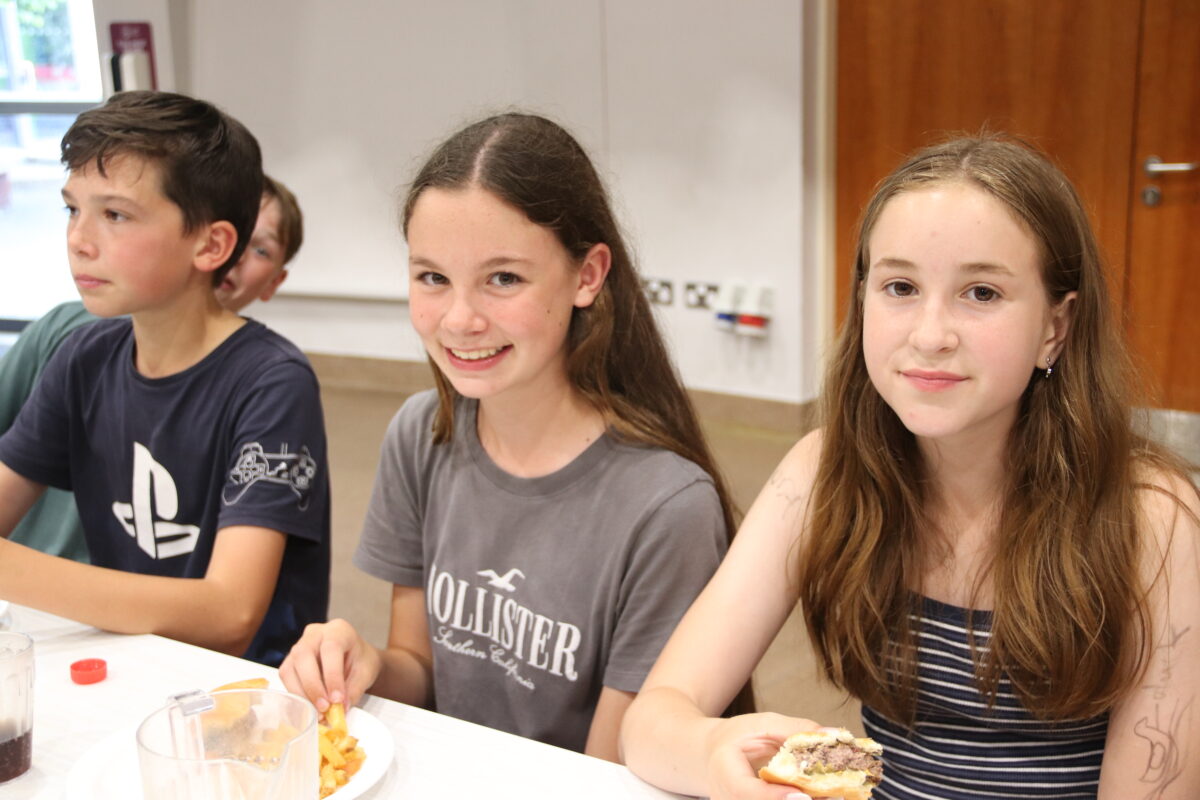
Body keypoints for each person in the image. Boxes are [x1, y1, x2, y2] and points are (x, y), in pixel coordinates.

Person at [619, 136, 1200, 799]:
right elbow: (652, 719)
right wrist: (709, 746)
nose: (930, 334)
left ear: (1055, 328)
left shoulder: (1150, 517)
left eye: (981, 293)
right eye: (900, 286)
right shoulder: (820, 473)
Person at [279, 112, 744, 761]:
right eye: (432, 277)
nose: (461, 319)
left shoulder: (666, 507)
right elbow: (420, 666)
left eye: (504, 279)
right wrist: (365, 665)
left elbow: (606, 772)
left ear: (588, 276)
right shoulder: (421, 435)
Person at [0, 91, 330, 668]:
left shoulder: (271, 381)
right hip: (127, 662)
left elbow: (230, 615)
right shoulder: (84, 356)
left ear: (211, 244)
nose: (79, 239)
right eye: (72, 209)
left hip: (243, 694)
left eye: (116, 214)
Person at [0, 173, 306, 565]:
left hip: (133, 606)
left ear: (274, 282)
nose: (238, 257)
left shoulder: (268, 383)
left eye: (261, 250)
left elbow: (229, 601)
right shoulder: (72, 337)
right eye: (73, 210)